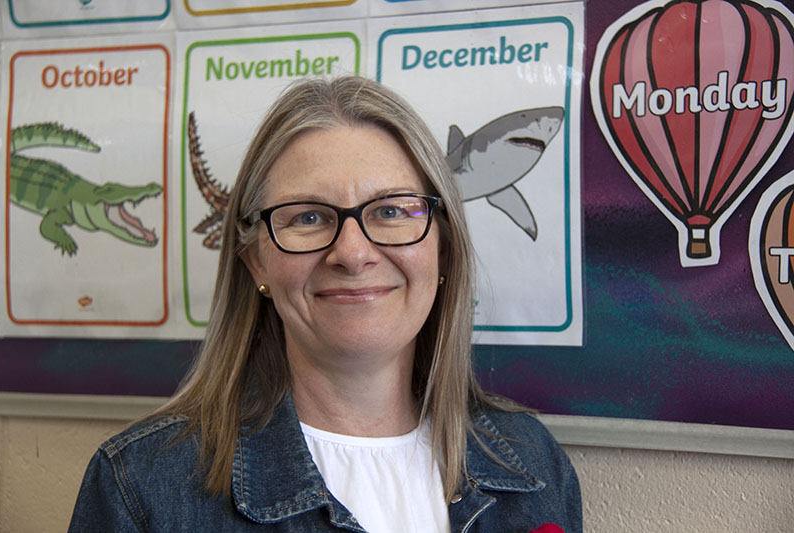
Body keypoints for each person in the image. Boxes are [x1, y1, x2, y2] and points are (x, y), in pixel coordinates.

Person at [69, 76, 581, 532]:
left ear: (441, 246)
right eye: (308, 218)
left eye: (391, 210)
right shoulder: (143, 489)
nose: (353, 254)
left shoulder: (534, 465)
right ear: (256, 263)